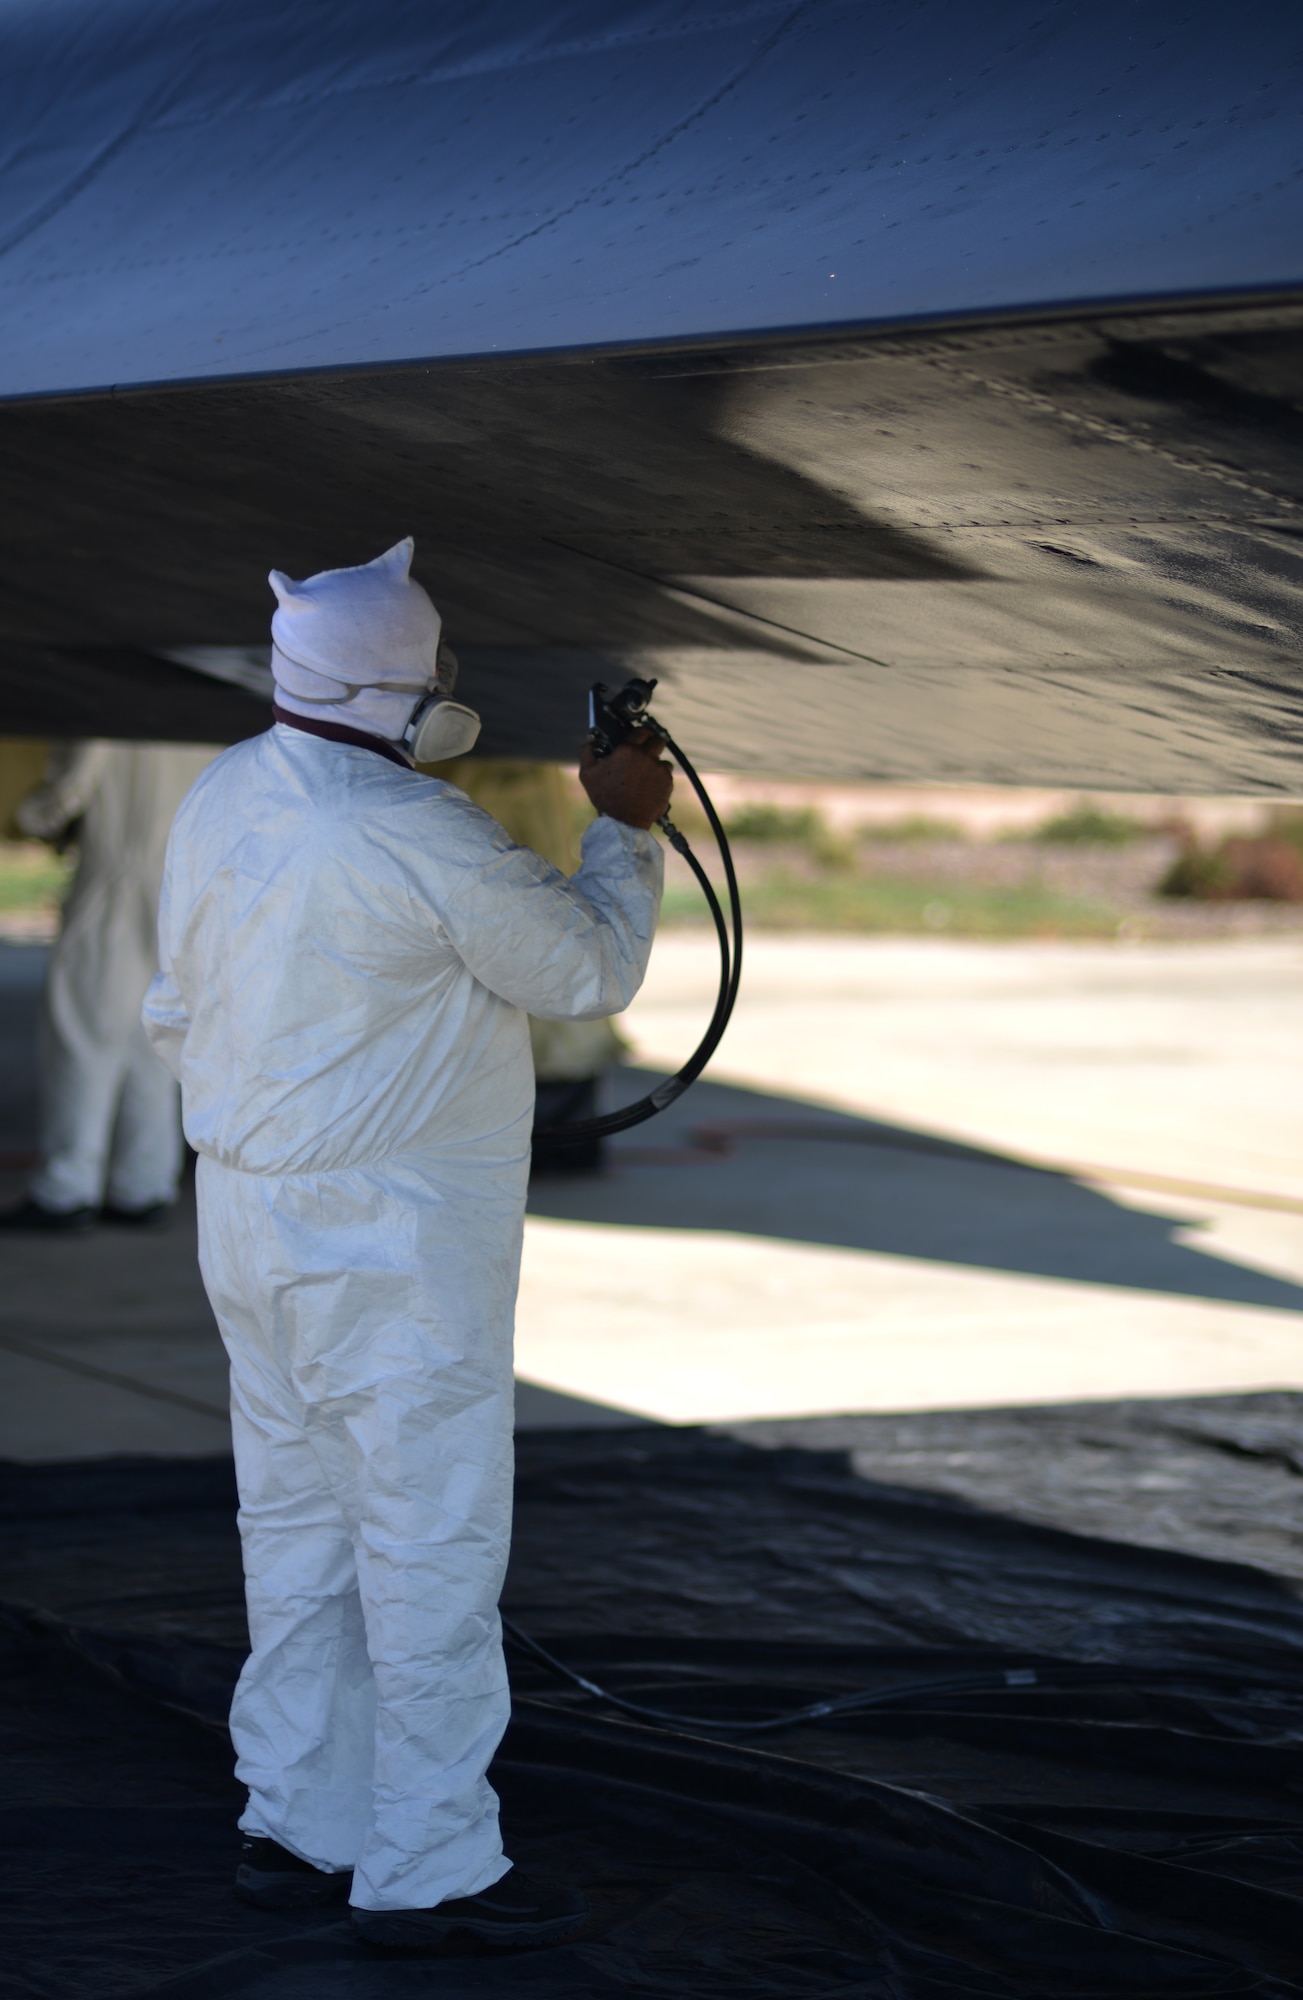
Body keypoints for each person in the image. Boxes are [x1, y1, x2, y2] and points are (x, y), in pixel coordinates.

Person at [141, 538, 671, 1952]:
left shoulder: (220, 797)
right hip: (389, 1247)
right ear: (402, 685)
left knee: (294, 1528)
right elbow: (583, 971)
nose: (449, 686)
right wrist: (622, 826)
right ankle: (430, 1861)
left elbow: (171, 1007)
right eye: (437, 669)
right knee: (427, 1536)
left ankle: (293, 1820)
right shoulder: (408, 828)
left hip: (249, 1223)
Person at [2, 738, 214, 1230]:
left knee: (82, 1031)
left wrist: (32, 816)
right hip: (182, 893)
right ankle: (142, 1183)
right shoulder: (204, 711)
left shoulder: (109, 714)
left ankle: (65, 1189)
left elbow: (64, 798)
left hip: (113, 884)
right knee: (154, 1038)